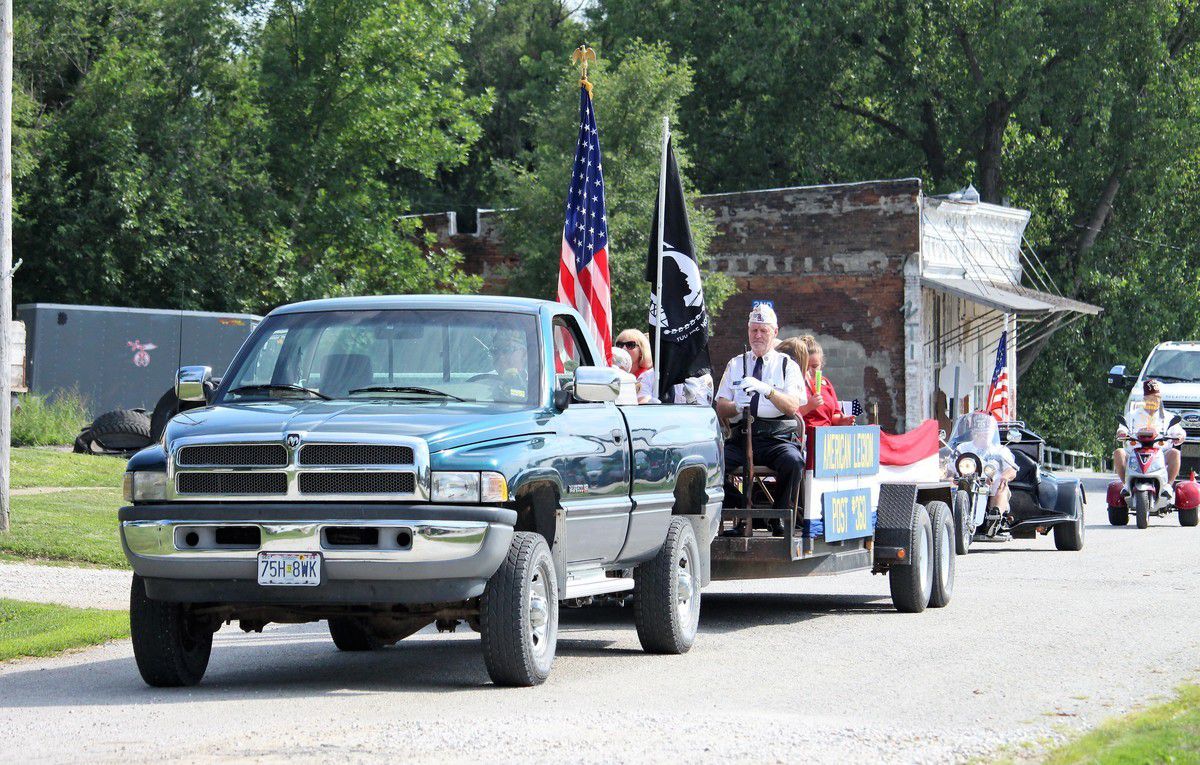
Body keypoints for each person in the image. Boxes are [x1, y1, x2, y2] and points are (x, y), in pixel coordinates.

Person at [715, 305, 807, 531]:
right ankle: (747, 510)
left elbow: (793, 406)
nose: (757, 336)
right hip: (742, 435)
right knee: (712, 468)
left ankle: (778, 516)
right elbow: (720, 406)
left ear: (774, 332)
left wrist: (768, 391)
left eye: (763, 331)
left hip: (775, 438)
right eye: (753, 330)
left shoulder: (787, 366)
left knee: (793, 462)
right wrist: (736, 406)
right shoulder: (736, 364)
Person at [1115, 378, 1184, 486]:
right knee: (1119, 452)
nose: (1154, 401)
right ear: (1144, 399)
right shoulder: (1132, 415)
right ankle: (1126, 485)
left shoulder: (1168, 417)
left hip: (1160, 454)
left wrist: (1179, 436)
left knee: (1175, 453)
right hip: (1134, 453)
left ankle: (1168, 486)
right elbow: (1122, 428)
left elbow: (1179, 432)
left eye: (1157, 398)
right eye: (1151, 398)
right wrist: (1122, 433)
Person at [951, 412, 1018, 521]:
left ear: (993, 433)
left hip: (990, 485)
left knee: (1000, 485)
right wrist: (950, 475)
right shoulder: (962, 448)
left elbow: (1012, 469)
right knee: (948, 484)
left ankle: (994, 517)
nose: (983, 436)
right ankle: (951, 517)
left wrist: (1004, 477)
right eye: (979, 433)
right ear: (973, 433)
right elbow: (950, 468)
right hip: (965, 484)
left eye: (987, 433)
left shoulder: (1000, 450)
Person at [798, 334, 852, 427]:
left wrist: (841, 420)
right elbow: (788, 416)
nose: (809, 371)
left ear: (821, 364)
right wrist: (808, 407)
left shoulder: (825, 383)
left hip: (827, 435)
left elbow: (834, 414)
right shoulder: (794, 383)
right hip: (806, 435)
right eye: (805, 366)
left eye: (815, 366)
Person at [615, 328, 658, 404]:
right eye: (619, 345)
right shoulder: (613, 375)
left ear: (641, 351)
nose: (624, 348)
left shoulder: (649, 377)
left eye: (630, 345)